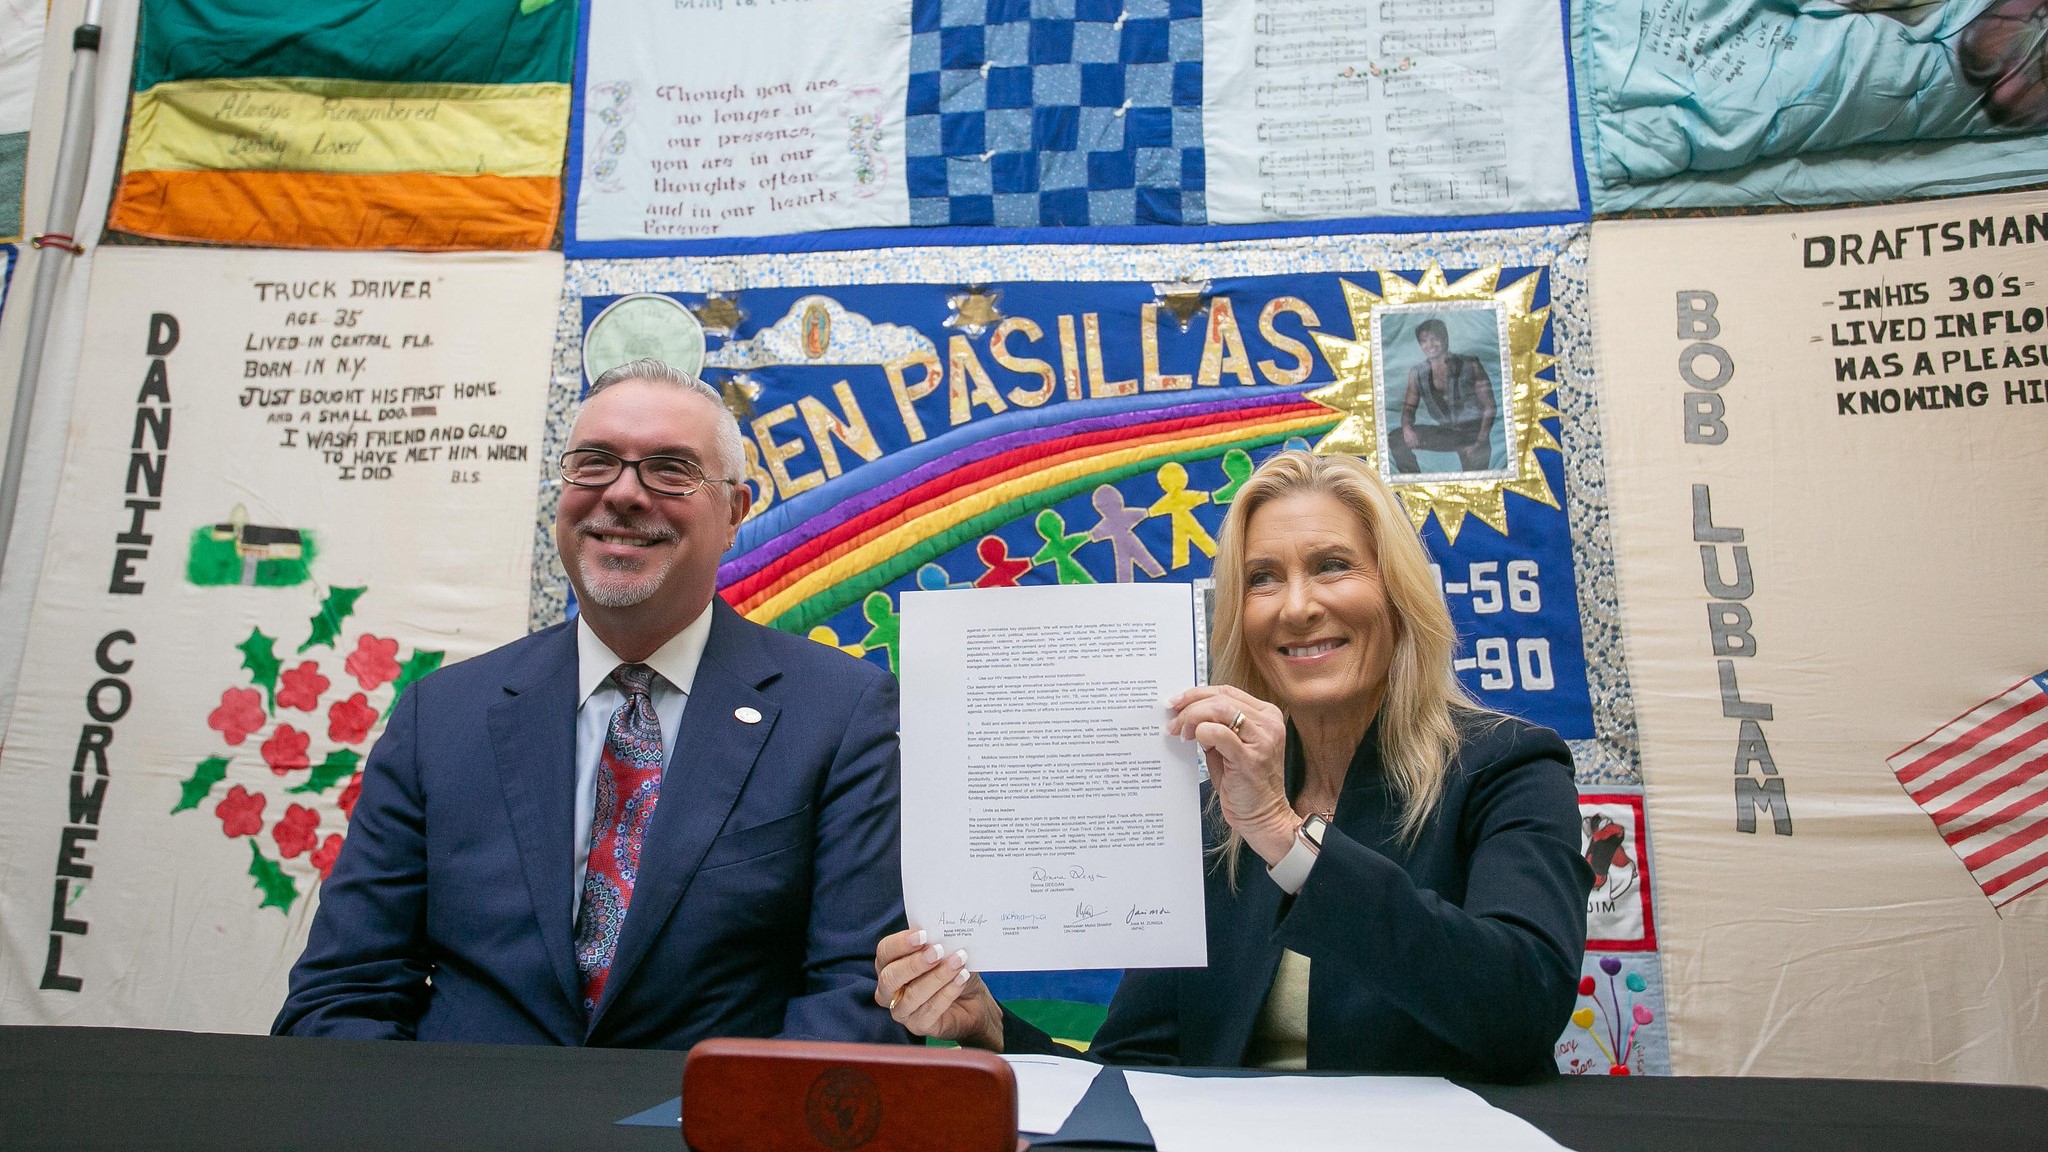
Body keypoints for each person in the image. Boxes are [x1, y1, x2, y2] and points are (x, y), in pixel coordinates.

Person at [875, 450, 1591, 1080]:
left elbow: (1519, 1009)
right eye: (1263, 579)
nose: (1298, 606)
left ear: (1399, 595)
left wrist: (1285, 836)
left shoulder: (1508, 769)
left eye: (1333, 566)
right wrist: (992, 1030)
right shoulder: (1211, 813)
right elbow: (1140, 1073)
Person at [276, 359, 907, 1048]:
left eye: (670, 469)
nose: (625, 494)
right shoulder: (440, 717)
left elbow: (856, 992)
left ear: (734, 514)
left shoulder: (841, 714)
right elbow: (343, 994)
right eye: (595, 463)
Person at [1391, 318, 1498, 474]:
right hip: (1447, 433)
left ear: (1445, 338)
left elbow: (1489, 407)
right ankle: (1414, 484)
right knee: (1396, 438)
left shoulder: (1470, 364)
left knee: (1476, 482)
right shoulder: (1417, 372)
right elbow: (1408, 407)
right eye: (1424, 341)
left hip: (1473, 434)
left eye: (1435, 339)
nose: (1430, 345)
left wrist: (1480, 442)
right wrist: (1407, 428)